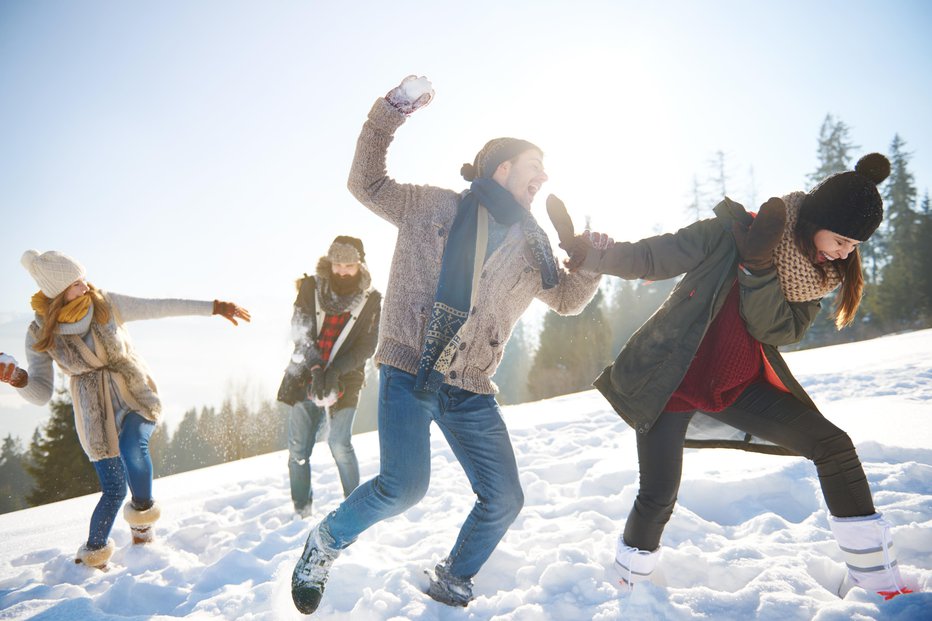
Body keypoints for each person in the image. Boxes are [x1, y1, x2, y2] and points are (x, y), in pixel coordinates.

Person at [290, 75, 603, 614]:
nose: (543, 177)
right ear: (502, 168)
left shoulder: (534, 248)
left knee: (505, 498)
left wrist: (588, 259)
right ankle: (325, 543)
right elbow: (365, 182)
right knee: (403, 488)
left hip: (471, 386)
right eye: (534, 165)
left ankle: (454, 577)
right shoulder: (429, 207)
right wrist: (391, 112)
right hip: (410, 369)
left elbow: (569, 300)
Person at [567, 153, 911, 599]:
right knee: (657, 498)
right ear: (816, 221)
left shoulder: (814, 278)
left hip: (736, 387)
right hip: (670, 383)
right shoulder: (728, 233)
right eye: (843, 239)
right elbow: (653, 256)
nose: (846, 253)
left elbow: (772, 330)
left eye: (854, 246)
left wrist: (758, 267)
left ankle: (878, 584)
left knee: (834, 447)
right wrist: (592, 255)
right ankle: (627, 587)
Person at [0, 249, 250, 570]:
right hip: (94, 415)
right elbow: (41, 394)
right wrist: (18, 378)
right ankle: (92, 557)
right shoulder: (40, 333)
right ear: (59, 292)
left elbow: (160, 307)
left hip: (134, 393)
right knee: (114, 489)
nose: (86, 286)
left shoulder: (106, 304)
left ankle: (143, 530)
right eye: (76, 284)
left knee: (134, 445)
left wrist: (214, 308)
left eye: (83, 278)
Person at [276, 235, 381, 518]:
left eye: (349, 265)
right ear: (330, 262)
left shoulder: (371, 299)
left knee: (339, 443)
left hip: (345, 376)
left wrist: (335, 370)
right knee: (298, 451)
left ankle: (356, 511)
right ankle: (302, 511)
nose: (343, 271)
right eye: (337, 264)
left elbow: (367, 346)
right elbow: (300, 329)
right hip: (305, 374)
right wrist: (315, 368)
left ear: (360, 264)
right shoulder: (311, 286)